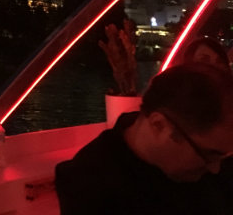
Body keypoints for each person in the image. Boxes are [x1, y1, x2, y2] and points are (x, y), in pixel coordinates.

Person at [55, 63, 233, 214]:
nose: (216, 169)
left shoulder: (209, 159)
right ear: (159, 125)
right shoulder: (88, 185)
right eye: (208, 155)